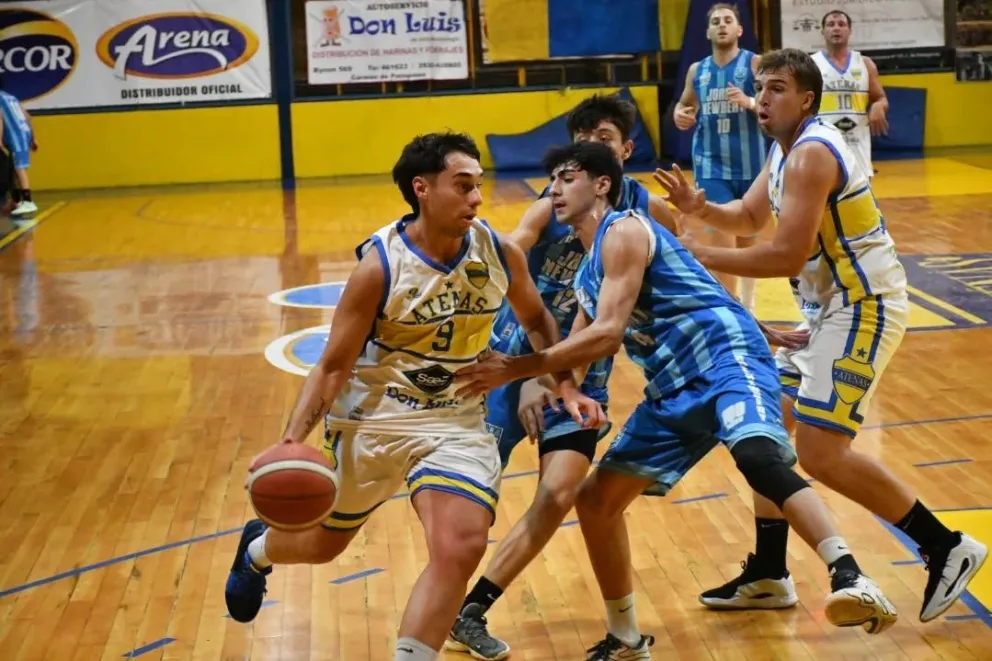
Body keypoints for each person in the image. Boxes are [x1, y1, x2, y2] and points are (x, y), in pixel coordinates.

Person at [456, 139, 902, 660]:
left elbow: (605, 333)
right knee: (597, 501)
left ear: (603, 184)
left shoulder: (623, 228)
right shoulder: (587, 271)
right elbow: (573, 350)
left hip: (723, 359)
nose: (555, 188)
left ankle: (850, 575)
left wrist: (521, 368)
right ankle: (625, 638)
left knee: (757, 453)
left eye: (568, 176)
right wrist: (559, 386)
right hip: (672, 388)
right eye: (552, 179)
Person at [223, 132, 604, 661]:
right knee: (322, 545)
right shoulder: (379, 266)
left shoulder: (499, 251)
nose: (477, 198)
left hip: (456, 419)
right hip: (373, 419)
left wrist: (561, 382)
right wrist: (291, 440)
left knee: (462, 544)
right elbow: (332, 367)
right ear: (422, 189)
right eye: (464, 186)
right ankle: (258, 550)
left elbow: (537, 318)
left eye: (479, 186)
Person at [655, 48, 988, 623]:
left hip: (865, 306)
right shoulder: (783, 151)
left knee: (819, 451)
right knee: (760, 426)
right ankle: (768, 570)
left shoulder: (812, 153)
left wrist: (690, 252)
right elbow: (749, 217)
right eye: (760, 89)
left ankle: (945, 546)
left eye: (777, 89)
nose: (763, 99)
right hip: (826, 313)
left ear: (807, 99)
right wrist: (700, 207)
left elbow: (786, 251)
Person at [445, 93, 679, 661]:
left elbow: (688, 278)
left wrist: (755, 331)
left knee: (560, 491)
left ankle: (470, 611)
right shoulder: (550, 208)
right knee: (468, 502)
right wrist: (531, 375)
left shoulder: (649, 214)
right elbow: (497, 269)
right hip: (510, 363)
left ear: (625, 150)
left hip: (581, 375)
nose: (587, 151)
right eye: (579, 143)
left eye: (600, 138)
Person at [673, 3, 764, 311]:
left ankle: (749, 304)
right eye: (716, 21)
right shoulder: (697, 70)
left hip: (751, 164)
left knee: (748, 239)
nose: (722, 25)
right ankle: (731, 307)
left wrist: (750, 101)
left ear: (739, 30)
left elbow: (771, 107)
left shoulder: (755, 65)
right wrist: (680, 116)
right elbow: (684, 105)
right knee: (722, 238)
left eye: (728, 20)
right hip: (711, 164)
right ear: (708, 32)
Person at [813, 10, 889, 180]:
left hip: (857, 146)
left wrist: (878, 105)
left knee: (862, 204)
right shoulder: (812, 64)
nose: (836, 28)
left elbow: (880, 98)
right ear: (823, 31)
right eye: (831, 25)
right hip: (824, 145)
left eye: (841, 24)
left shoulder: (865, 63)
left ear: (849, 31)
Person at [0, 77, 38, 217]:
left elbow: (0, 118)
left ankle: (27, 201)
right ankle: (16, 201)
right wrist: (33, 137)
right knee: (14, 170)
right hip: (24, 132)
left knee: (19, 168)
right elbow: (27, 116)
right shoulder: (11, 97)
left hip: (16, 135)